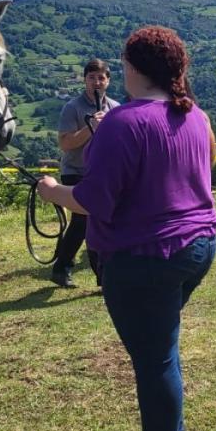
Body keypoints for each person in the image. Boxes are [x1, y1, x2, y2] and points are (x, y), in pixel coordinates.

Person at [37, 26, 216, 431]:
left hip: (144, 257)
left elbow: (96, 199)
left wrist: (53, 191)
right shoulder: (195, 116)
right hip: (197, 245)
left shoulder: (124, 122)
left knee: (154, 359)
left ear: (134, 68)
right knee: (163, 349)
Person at [50, 58, 121, 288]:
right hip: (76, 170)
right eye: (92, 78)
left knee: (97, 221)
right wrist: (91, 128)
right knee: (83, 220)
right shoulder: (73, 108)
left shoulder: (115, 108)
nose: (97, 82)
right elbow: (65, 143)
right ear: (85, 80)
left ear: (108, 81)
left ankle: (96, 273)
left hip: (103, 172)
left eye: (101, 78)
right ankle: (69, 269)